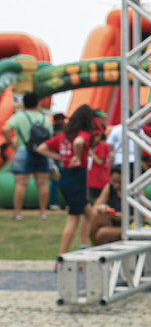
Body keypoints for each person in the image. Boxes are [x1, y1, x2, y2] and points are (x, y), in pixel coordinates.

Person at [37, 104, 96, 255]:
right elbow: (78, 143)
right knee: (73, 219)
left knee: (90, 214)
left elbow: (41, 148)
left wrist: (60, 157)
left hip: (66, 177)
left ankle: (84, 248)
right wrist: (77, 157)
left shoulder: (62, 136)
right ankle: (62, 257)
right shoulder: (83, 134)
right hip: (77, 177)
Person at [1, 91, 52, 220]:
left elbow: (6, 129)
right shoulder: (44, 118)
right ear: (38, 103)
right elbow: (50, 136)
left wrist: (11, 144)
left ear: (24, 103)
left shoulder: (19, 116)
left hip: (23, 150)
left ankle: (18, 213)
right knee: (42, 183)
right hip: (41, 152)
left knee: (20, 183)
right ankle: (43, 212)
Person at [89, 165, 124, 246]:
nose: (116, 186)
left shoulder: (135, 191)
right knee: (93, 216)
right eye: (114, 182)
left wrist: (122, 217)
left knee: (102, 233)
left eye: (120, 182)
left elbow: (143, 217)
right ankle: (94, 249)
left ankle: (97, 250)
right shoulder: (109, 188)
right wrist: (103, 207)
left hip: (128, 226)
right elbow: (95, 207)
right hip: (113, 222)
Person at [87, 128, 111, 203]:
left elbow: (100, 161)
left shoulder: (102, 145)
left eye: (96, 136)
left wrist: (91, 153)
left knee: (98, 200)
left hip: (98, 179)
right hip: (96, 177)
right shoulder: (98, 145)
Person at [48, 113, 66, 210]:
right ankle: (67, 203)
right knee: (65, 180)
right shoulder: (62, 130)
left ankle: (54, 203)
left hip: (53, 157)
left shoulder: (51, 129)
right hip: (61, 157)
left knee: (54, 181)